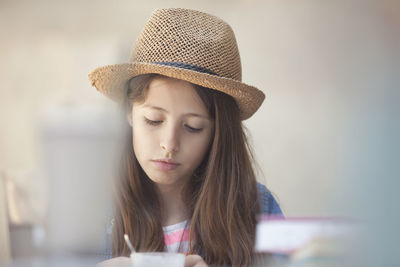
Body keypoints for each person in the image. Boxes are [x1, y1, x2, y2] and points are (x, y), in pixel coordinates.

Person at [89, 8, 283, 267]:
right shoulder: (89, 210)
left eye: (192, 127)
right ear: (129, 112)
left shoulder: (258, 208)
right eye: (153, 120)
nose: (169, 144)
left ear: (218, 132)